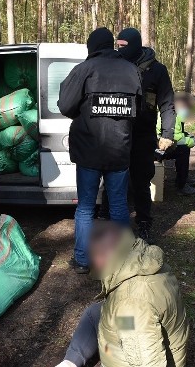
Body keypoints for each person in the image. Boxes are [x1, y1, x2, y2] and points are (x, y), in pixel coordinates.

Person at [58, 27, 142, 274]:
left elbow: (65, 105)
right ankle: (123, 259)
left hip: (88, 151)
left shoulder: (84, 69)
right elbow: (139, 111)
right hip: (119, 150)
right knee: (118, 205)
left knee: (85, 207)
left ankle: (83, 260)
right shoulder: (132, 70)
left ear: (92, 46)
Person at [55, 221, 188, 367]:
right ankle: (69, 363)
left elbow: (148, 362)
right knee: (95, 313)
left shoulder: (129, 305)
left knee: (120, 320)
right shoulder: (145, 259)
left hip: (148, 349)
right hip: (149, 331)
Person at [98, 28, 175, 241]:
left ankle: (143, 223)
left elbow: (167, 104)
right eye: (118, 45)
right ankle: (105, 221)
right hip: (116, 134)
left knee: (141, 182)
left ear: (135, 45)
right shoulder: (114, 65)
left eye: (124, 46)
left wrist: (167, 132)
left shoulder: (156, 70)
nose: (120, 49)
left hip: (143, 136)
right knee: (111, 180)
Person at [159, 91, 195, 195]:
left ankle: (183, 178)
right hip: (155, 148)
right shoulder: (172, 117)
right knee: (183, 149)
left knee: (184, 148)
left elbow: (180, 133)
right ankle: (181, 185)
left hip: (157, 145)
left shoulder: (172, 114)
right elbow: (176, 139)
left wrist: (193, 138)